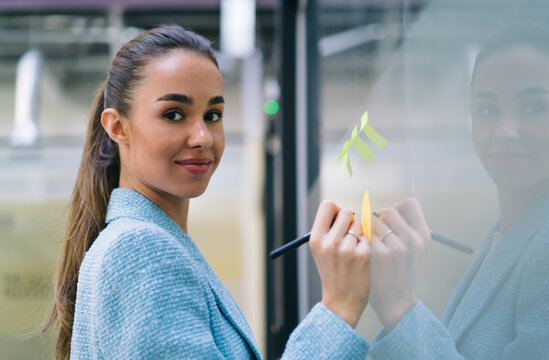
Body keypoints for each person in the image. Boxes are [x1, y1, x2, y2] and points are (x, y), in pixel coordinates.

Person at [38, 25, 373, 359]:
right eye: (174, 114)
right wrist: (339, 307)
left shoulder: (152, 244)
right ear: (117, 127)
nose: (203, 137)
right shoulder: (141, 249)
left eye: (213, 115)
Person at [365, 21, 549, 359]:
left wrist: (399, 305)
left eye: (534, 107)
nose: (507, 130)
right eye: (488, 110)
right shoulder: (507, 232)